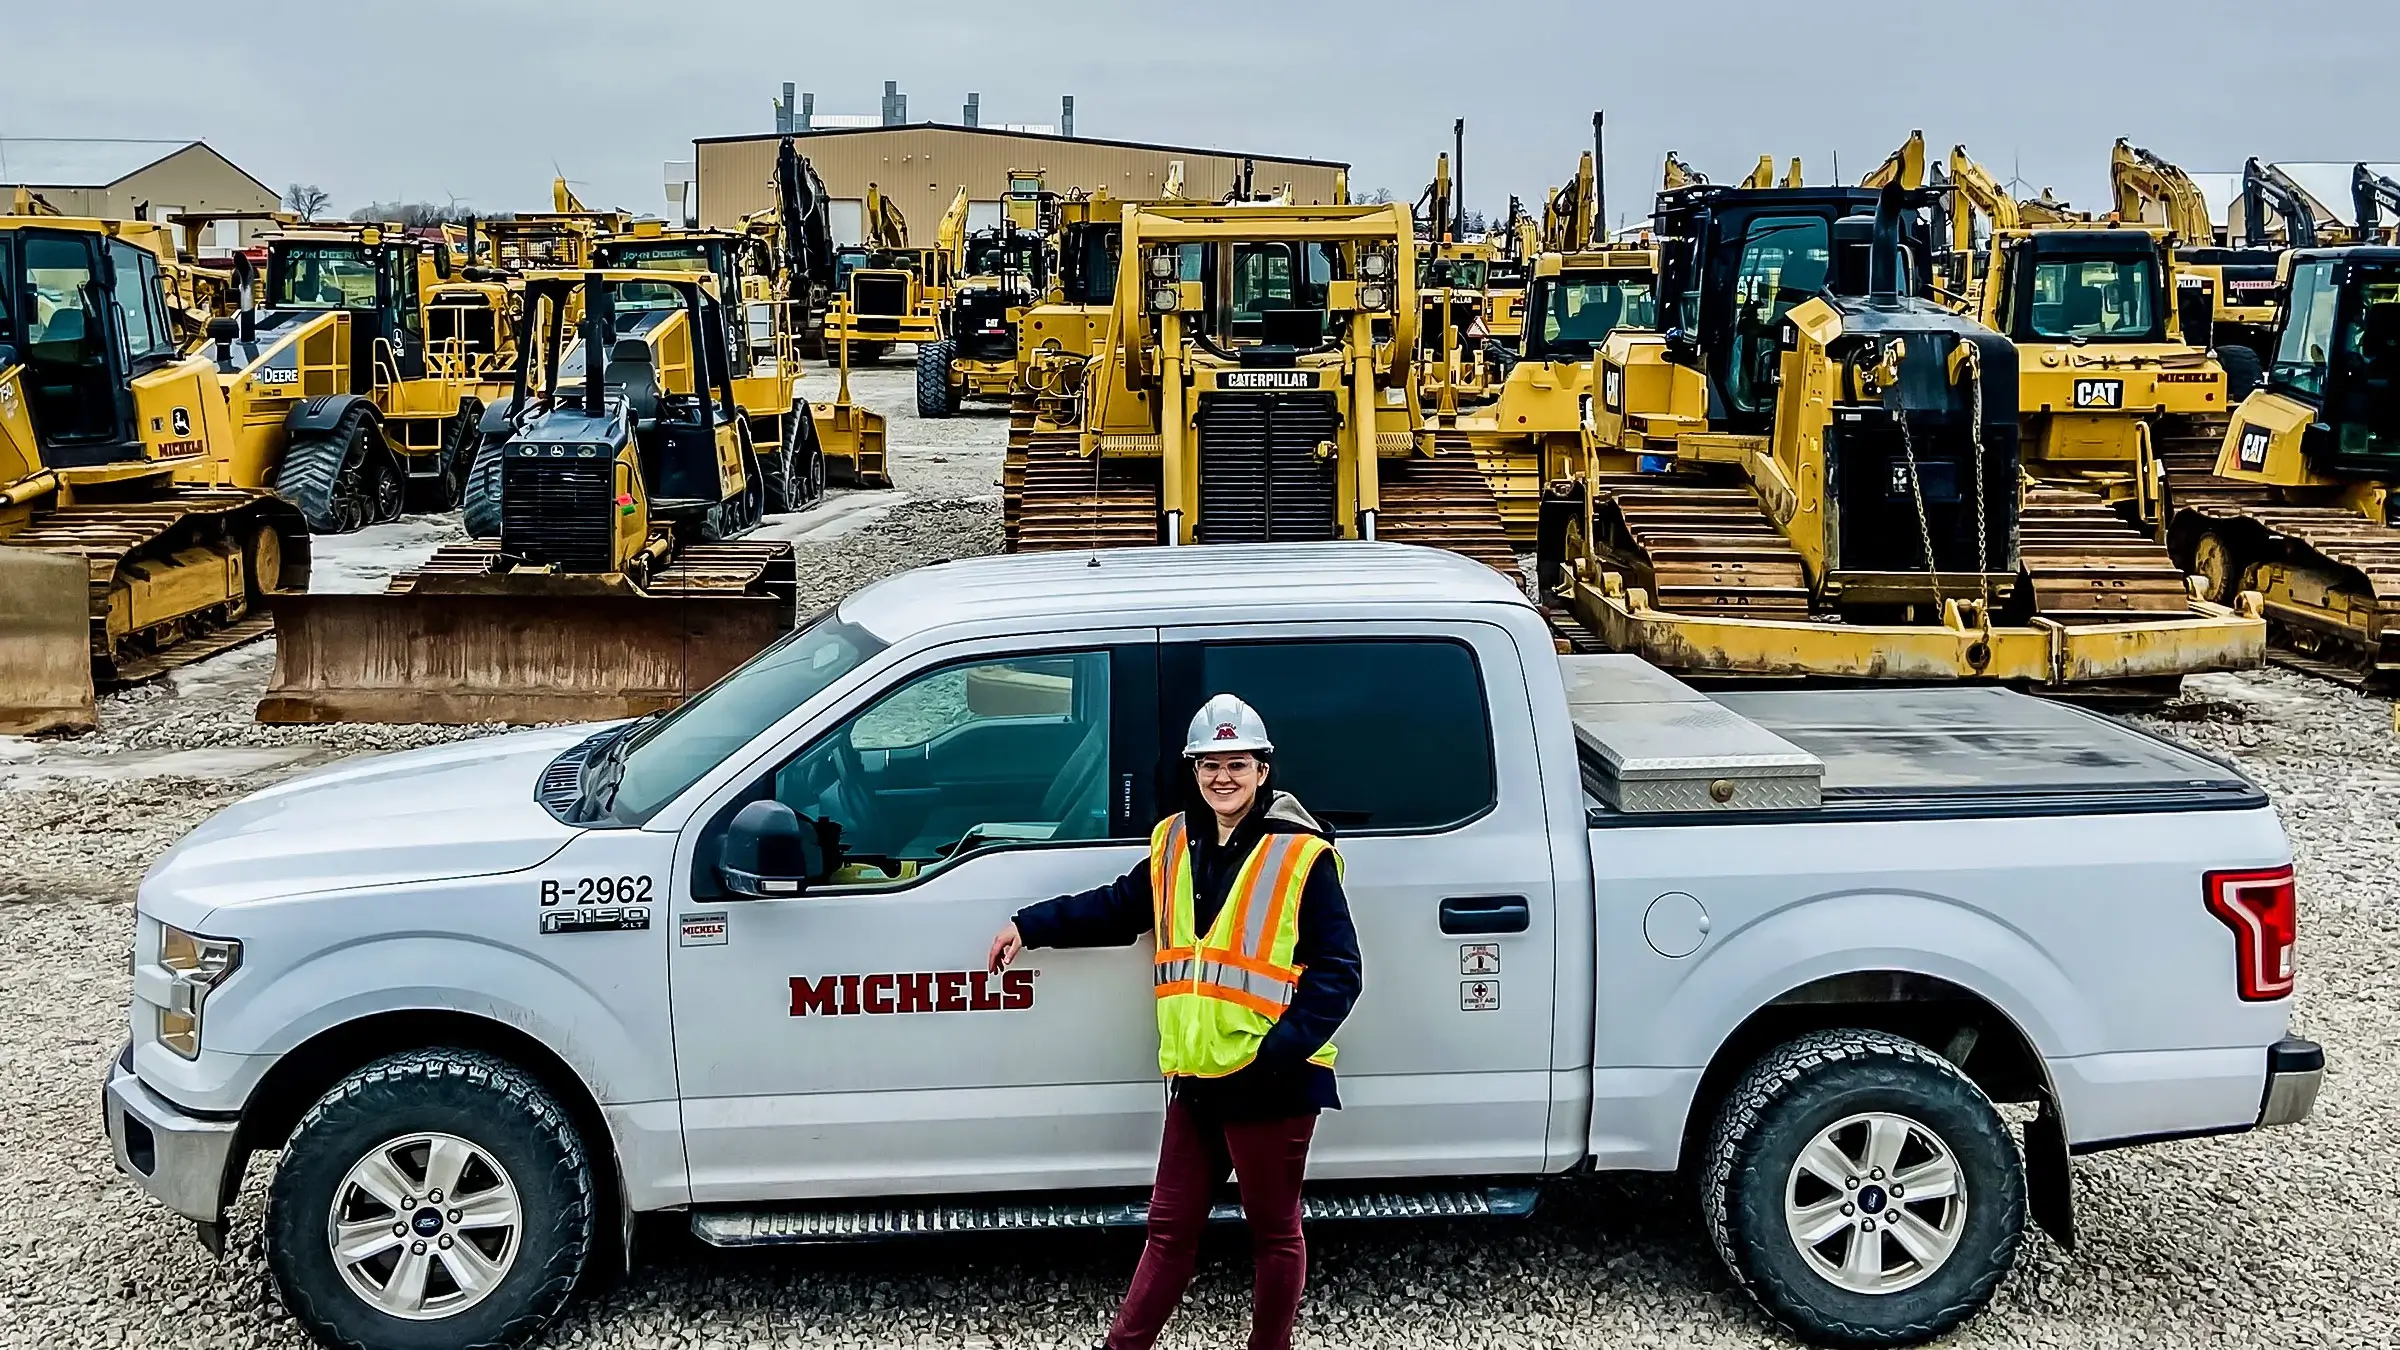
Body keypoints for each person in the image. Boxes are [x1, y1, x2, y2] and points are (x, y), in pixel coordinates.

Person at [987, 694, 1363, 1350]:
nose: (1224, 777)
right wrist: (1030, 925)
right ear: (1193, 771)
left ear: (1263, 770)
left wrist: (1276, 1054)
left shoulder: (1301, 855)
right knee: (1168, 1228)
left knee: (1273, 1233)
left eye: (1238, 764)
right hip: (1197, 1079)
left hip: (1270, 1082)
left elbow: (1341, 972)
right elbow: (1116, 906)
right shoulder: (1173, 844)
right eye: (1211, 764)